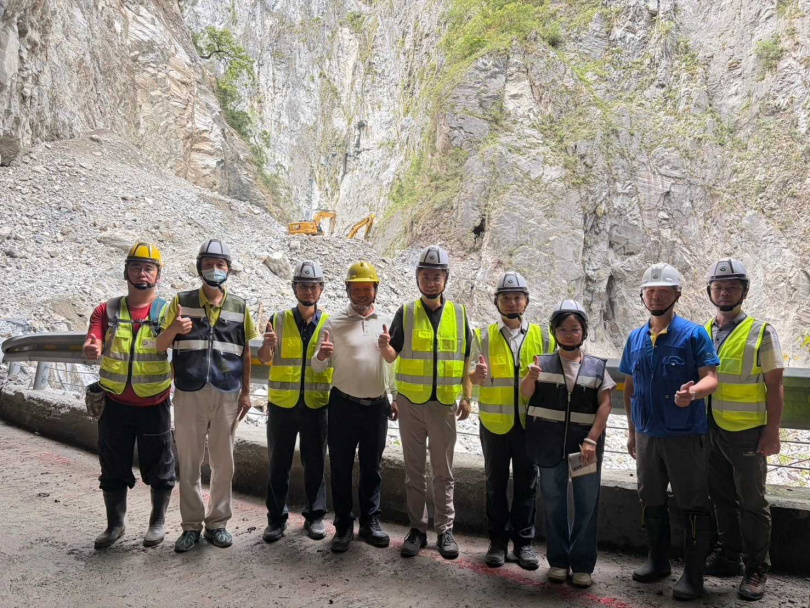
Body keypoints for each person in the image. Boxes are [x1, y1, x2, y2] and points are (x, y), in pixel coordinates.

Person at [620, 263, 719, 600]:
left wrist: (694, 393)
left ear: (677, 294)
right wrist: (632, 433)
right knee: (651, 498)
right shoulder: (634, 338)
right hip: (647, 435)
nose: (656, 295)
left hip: (685, 436)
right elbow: (629, 388)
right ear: (642, 296)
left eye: (664, 290)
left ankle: (694, 575)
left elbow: (711, 377)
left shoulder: (694, 334)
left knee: (693, 503)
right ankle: (657, 561)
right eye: (650, 290)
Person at [156, 239, 258, 553]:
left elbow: (246, 353)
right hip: (188, 392)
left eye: (221, 264)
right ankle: (190, 527)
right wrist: (174, 328)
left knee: (223, 464)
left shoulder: (239, 306)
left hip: (227, 394)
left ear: (228, 269)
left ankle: (218, 524)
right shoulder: (181, 301)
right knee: (187, 463)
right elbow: (160, 345)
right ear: (200, 266)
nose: (215, 269)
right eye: (209, 263)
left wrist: (246, 392)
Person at [380, 245, 472, 559]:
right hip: (410, 405)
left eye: (436, 276)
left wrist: (468, 398)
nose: (431, 281)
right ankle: (417, 529)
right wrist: (384, 348)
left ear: (445, 279)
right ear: (418, 278)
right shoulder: (405, 312)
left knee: (444, 472)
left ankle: (445, 530)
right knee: (414, 471)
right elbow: (393, 354)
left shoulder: (459, 314)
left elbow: (467, 359)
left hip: (445, 404)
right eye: (425, 276)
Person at [83, 242, 175, 549]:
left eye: (149, 268)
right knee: (112, 465)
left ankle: (157, 522)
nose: (142, 273)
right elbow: (94, 338)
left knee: (160, 466)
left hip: (155, 404)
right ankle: (115, 526)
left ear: (157, 275)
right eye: (136, 266)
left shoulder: (167, 311)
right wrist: (92, 347)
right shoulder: (107, 310)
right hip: (115, 405)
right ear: (126, 271)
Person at [703, 259, 783, 601]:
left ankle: (756, 568)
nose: (724, 292)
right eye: (719, 287)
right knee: (721, 496)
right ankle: (728, 555)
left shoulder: (761, 332)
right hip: (710, 428)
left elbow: (776, 385)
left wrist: (772, 431)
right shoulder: (703, 330)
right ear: (709, 291)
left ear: (744, 292)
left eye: (732, 287)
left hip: (748, 431)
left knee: (752, 501)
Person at [521, 300, 614, 588]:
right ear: (555, 332)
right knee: (553, 503)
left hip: (583, 450)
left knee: (586, 504)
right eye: (563, 329)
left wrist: (591, 440)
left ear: (584, 331)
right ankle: (559, 562)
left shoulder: (597, 367)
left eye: (575, 329)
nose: (569, 334)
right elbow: (525, 395)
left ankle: (583, 564)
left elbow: (605, 406)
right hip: (550, 449)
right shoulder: (541, 362)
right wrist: (530, 377)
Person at [468, 271, 554, 570]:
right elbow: (467, 374)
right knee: (495, 483)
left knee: (528, 483)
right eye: (506, 297)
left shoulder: (543, 336)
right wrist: (473, 377)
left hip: (530, 425)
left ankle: (525, 543)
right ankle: (497, 541)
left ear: (526, 301)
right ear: (497, 302)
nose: (512, 302)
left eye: (517, 297)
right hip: (494, 424)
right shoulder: (482, 336)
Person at [310, 261, 397, 553]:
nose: (362, 294)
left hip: (377, 406)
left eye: (367, 288)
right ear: (347, 290)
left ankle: (370, 522)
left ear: (375, 290)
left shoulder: (385, 321)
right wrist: (322, 356)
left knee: (372, 467)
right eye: (356, 288)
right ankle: (344, 525)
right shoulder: (333, 323)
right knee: (341, 467)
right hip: (343, 406)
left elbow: (393, 364)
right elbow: (316, 367)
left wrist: (393, 397)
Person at [259, 260, 332, 543]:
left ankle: (314, 517)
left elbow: (333, 361)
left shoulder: (329, 324)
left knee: (315, 464)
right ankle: (276, 519)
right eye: (303, 285)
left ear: (321, 290)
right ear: (294, 288)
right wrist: (267, 346)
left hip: (316, 405)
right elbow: (265, 359)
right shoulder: (278, 320)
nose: (308, 291)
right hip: (282, 406)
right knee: (278, 464)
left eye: (313, 286)